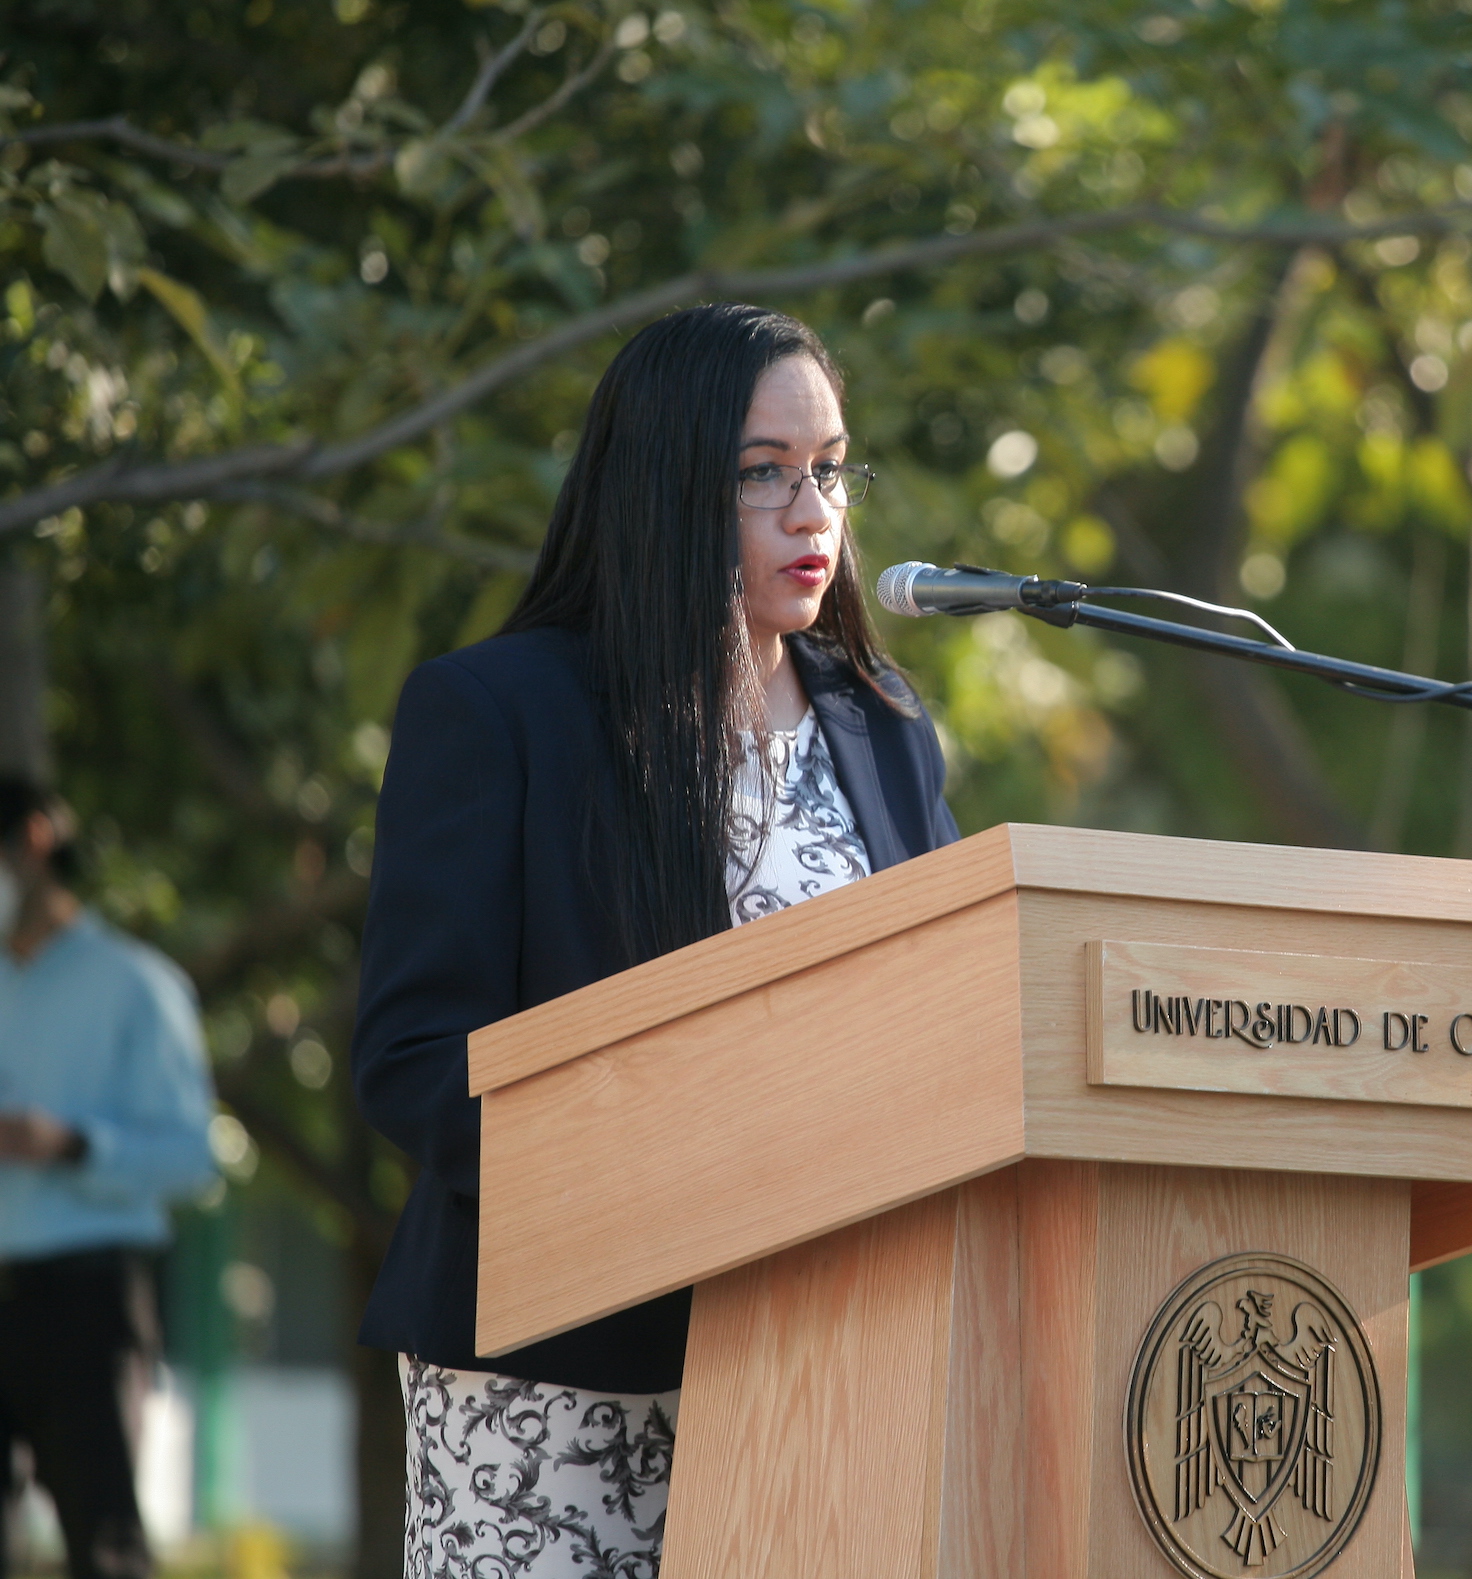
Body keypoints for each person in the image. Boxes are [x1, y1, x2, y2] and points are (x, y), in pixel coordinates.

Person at [352, 303, 960, 1576]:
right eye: (762, 473)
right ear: (666, 484)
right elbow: (416, 1062)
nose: (813, 513)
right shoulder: (504, 711)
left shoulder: (883, 726)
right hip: (561, 1380)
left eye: (829, 469)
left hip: (828, 1369)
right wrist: (666, 1180)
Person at [0, 777, 218, 1579]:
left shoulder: (137, 984)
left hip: (87, 1303)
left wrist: (71, 1145)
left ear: (33, 840)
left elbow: (191, 1158)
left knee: (105, 1546)